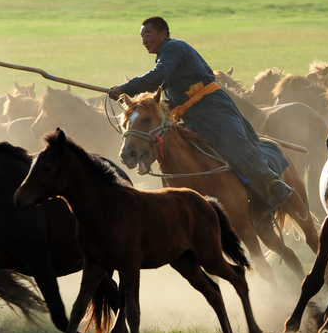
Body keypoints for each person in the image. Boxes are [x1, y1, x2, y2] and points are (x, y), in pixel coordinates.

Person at [108, 16, 294, 209]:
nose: (144, 41)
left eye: (147, 34)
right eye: (141, 36)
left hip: (213, 109)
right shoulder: (166, 57)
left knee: (233, 143)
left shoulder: (174, 48)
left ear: (163, 34)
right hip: (192, 117)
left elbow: (158, 75)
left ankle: (272, 181)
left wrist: (125, 88)